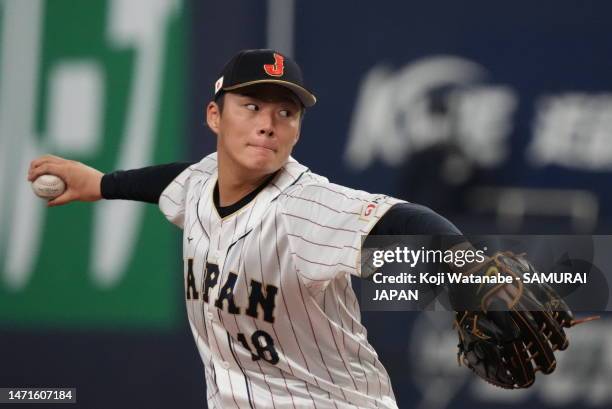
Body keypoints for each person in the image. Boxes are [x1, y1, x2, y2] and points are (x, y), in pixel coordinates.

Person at [27, 49, 572, 408]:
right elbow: (172, 182)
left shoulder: (304, 209)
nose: (268, 121)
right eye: (252, 105)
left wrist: (466, 265)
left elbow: (401, 220)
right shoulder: (201, 183)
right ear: (215, 116)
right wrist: (100, 183)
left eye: (286, 113)